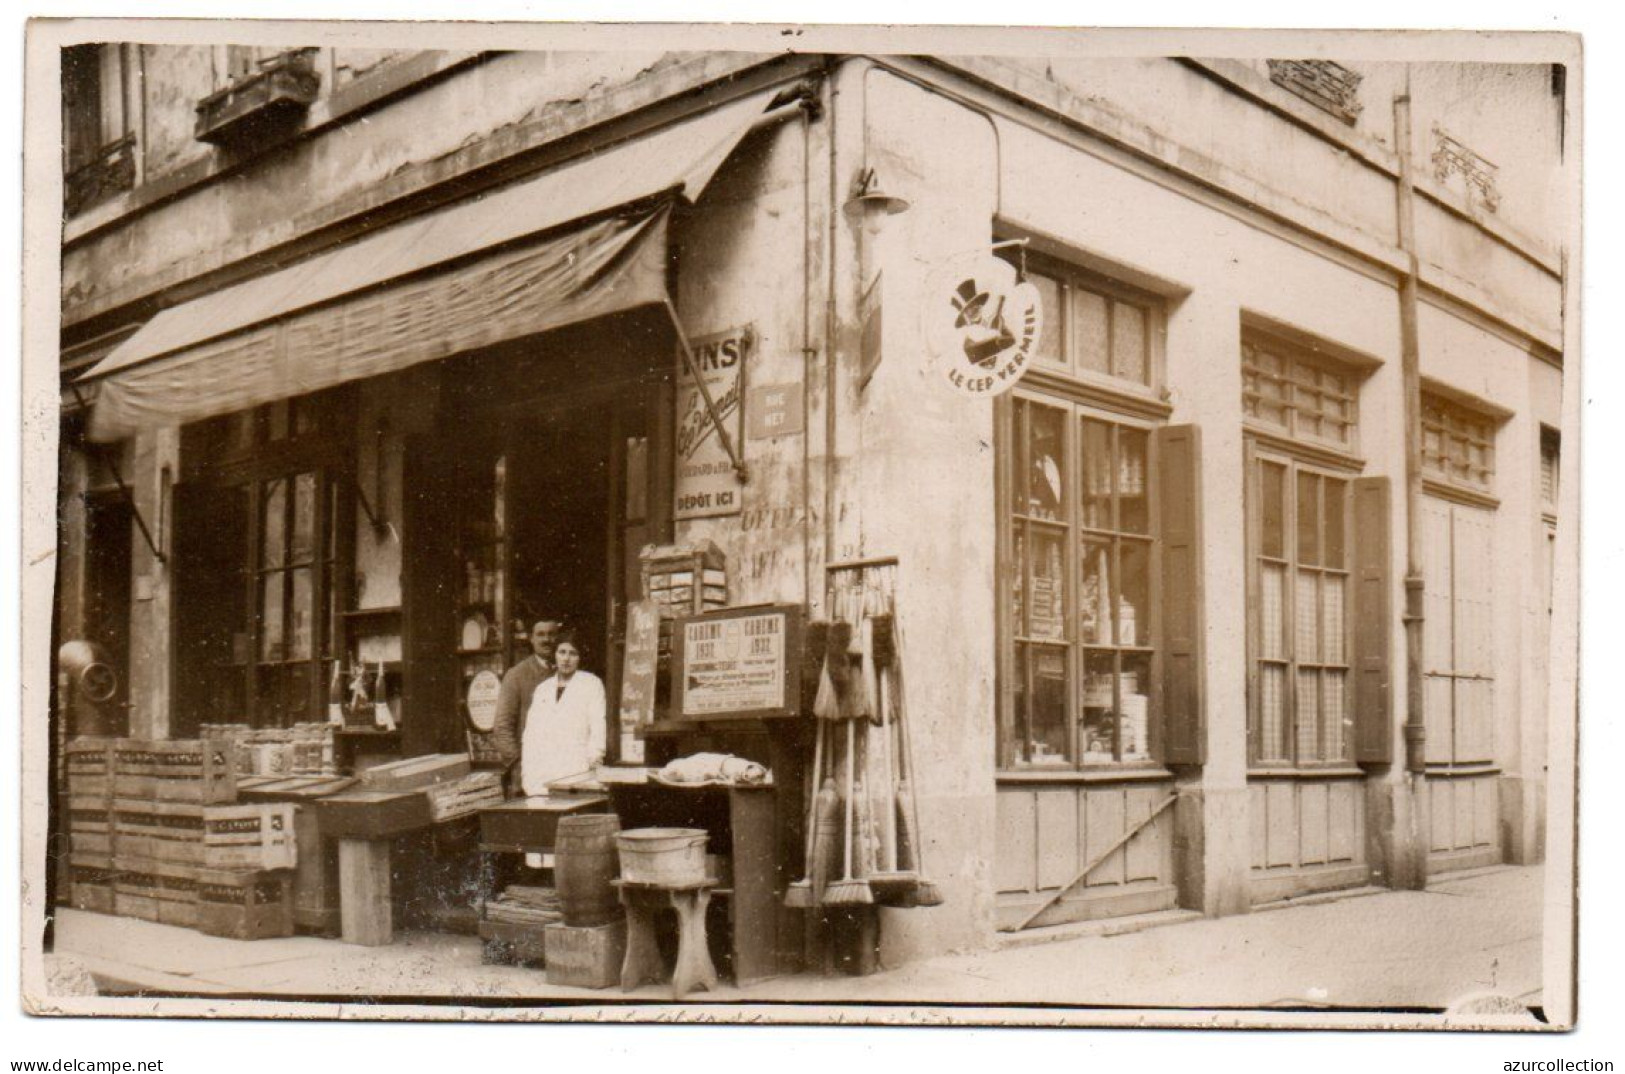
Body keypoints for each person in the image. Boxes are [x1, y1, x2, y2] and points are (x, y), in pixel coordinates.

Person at [519, 628, 607, 798]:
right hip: (543, 775)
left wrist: (595, 759)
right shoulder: (542, 690)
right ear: (555, 655)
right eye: (562, 652)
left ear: (580, 657)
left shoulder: (591, 684)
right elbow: (530, 736)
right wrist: (528, 775)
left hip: (577, 770)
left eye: (573, 653)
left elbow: (597, 726)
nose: (566, 659)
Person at [490, 620, 560, 790]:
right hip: (529, 772)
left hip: (561, 769)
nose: (546, 639)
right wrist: (518, 765)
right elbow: (502, 728)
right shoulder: (516, 675)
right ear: (531, 639)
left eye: (551, 634)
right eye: (540, 634)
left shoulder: (565, 672)